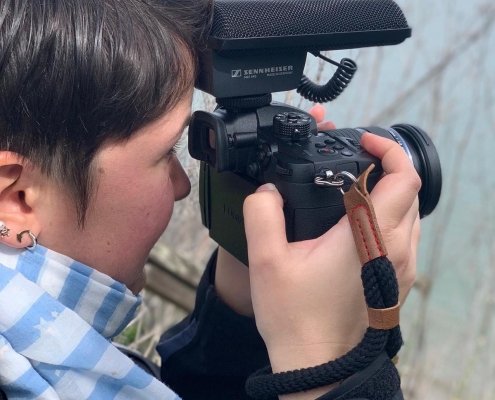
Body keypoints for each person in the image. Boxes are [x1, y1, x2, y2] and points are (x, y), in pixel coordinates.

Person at [0, 1, 420, 399]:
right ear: (17, 198)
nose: (183, 184)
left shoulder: (44, 360)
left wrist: (239, 311)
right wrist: (332, 361)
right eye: (165, 154)